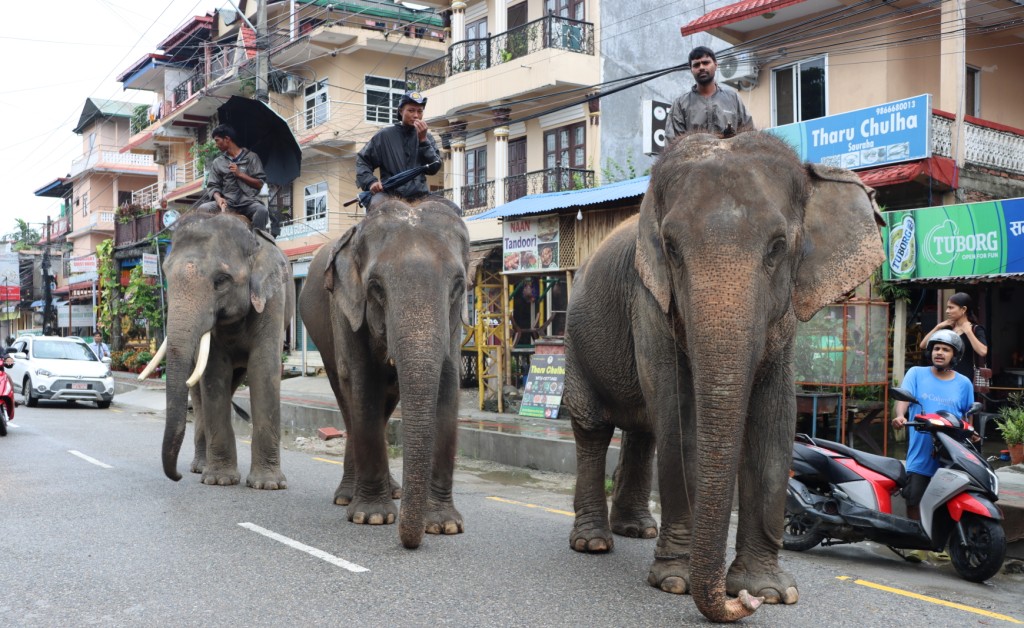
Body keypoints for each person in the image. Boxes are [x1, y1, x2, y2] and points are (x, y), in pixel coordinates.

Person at [892, 329, 974, 522]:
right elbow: (904, 398)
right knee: (914, 498)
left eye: (946, 349)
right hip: (920, 451)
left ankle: (940, 542)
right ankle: (919, 546)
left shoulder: (964, 383)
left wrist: (972, 432)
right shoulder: (916, 373)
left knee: (948, 501)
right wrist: (900, 416)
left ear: (955, 356)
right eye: (936, 348)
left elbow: (969, 414)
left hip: (951, 453)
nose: (939, 352)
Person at [355, 91, 443, 207]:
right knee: (375, 206)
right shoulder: (384, 135)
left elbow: (434, 168)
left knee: (452, 208)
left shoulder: (427, 137)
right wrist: (371, 182)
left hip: (421, 196)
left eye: (419, 111)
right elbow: (362, 161)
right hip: (390, 195)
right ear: (401, 111)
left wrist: (423, 141)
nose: (416, 115)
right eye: (411, 110)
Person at [664, 46, 754, 143]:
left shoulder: (733, 99)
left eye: (706, 63)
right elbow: (673, 145)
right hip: (694, 157)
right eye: (696, 65)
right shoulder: (680, 104)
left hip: (729, 157)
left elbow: (749, 136)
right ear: (691, 69)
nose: (701, 67)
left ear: (715, 65)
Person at [197, 124, 270, 233]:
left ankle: (258, 242)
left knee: (262, 211)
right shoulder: (218, 162)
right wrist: (219, 199)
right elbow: (213, 186)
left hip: (248, 202)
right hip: (228, 202)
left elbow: (259, 183)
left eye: (217, 140)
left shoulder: (252, 158)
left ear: (227, 139)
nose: (216, 145)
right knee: (202, 209)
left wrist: (240, 174)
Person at [918, 292, 988, 382]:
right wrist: (938, 327)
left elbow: (983, 352)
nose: (947, 311)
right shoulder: (948, 329)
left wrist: (968, 332)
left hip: (964, 378)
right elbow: (923, 345)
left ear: (963, 309)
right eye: (947, 307)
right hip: (943, 376)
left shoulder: (976, 329)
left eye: (951, 307)